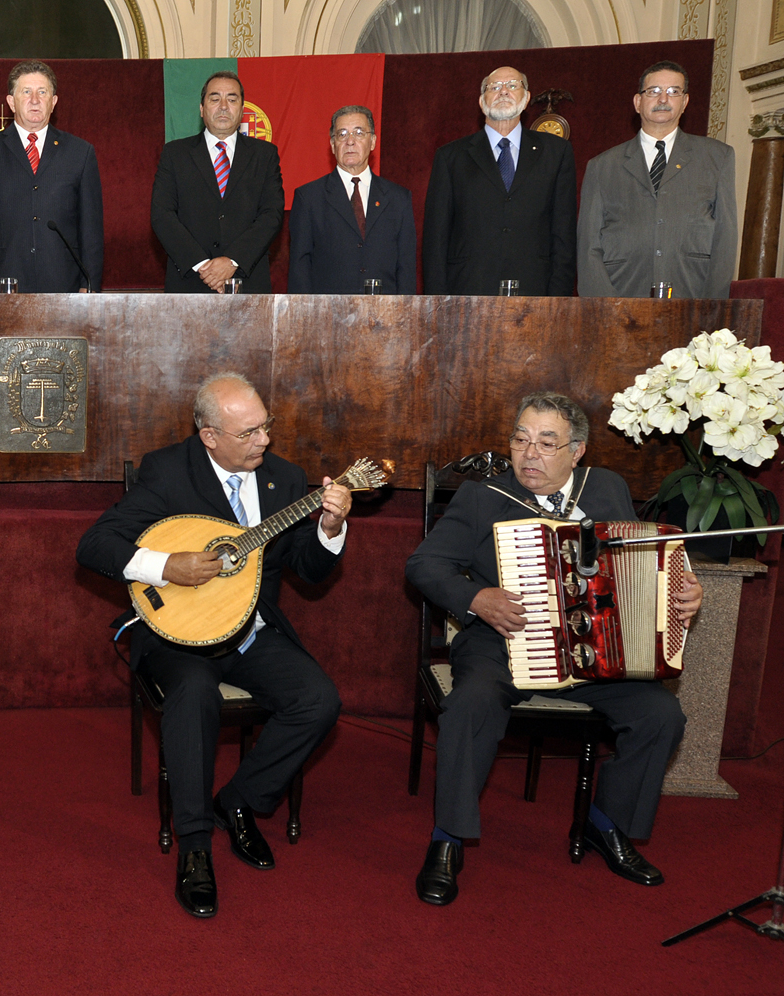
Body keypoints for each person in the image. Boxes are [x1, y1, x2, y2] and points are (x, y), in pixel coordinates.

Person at [405, 392, 702, 907]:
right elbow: (423, 566)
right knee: (470, 705)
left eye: (546, 443)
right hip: (501, 643)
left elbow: (646, 560)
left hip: (595, 654)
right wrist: (478, 597)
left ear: (577, 451)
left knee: (661, 714)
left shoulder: (606, 488)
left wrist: (684, 591)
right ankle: (447, 840)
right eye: (520, 439)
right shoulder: (481, 498)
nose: (529, 454)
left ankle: (605, 824)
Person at [76, 373, 351, 918]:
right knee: (195, 692)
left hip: (250, 629)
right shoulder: (167, 471)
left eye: (265, 426)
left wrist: (331, 526)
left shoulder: (286, 478)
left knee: (319, 701)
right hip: (177, 632)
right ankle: (196, 846)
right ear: (209, 436)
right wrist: (166, 566)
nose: (264, 441)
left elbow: (310, 572)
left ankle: (240, 802)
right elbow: (94, 545)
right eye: (248, 432)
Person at [577, 61, 737, 299]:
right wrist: (603, 307)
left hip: (691, 293)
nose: (663, 99)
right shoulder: (602, 165)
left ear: (685, 103)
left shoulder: (718, 157)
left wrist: (712, 307)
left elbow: (726, 238)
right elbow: (588, 244)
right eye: (653, 91)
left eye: (673, 92)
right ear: (638, 102)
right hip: (622, 293)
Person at [422, 67, 576, 296]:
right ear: (482, 102)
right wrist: (437, 302)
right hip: (467, 291)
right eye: (494, 87)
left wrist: (559, 299)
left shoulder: (556, 152)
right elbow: (436, 238)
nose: (503, 91)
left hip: (536, 290)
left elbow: (564, 231)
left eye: (513, 85)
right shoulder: (450, 157)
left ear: (526, 99)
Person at [0, 60, 102, 293]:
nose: (35, 100)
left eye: (42, 92)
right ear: (11, 102)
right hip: (0, 286)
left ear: (53, 102)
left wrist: (89, 286)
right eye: (26, 92)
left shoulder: (81, 153)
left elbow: (91, 230)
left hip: (63, 286)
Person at [151, 71, 284, 293]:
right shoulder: (175, 154)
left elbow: (272, 214)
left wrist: (232, 261)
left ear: (241, 110)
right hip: (190, 283)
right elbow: (162, 214)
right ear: (202, 110)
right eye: (215, 99)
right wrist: (205, 267)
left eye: (232, 99)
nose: (224, 106)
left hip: (247, 282)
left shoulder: (265, 155)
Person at [287, 105, 415, 294]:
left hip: (385, 316)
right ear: (332, 145)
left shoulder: (398, 198)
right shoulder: (309, 198)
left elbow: (406, 267)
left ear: (372, 142)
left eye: (359, 133)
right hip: (327, 316)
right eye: (342, 134)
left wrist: (405, 318)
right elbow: (300, 268)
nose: (350, 141)